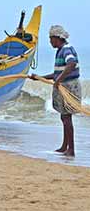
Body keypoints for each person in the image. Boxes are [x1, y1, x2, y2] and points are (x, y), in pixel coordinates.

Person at [30, 25, 81, 157]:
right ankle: (65, 146)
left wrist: (58, 80)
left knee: (66, 117)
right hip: (63, 85)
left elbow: (71, 64)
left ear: (57, 38)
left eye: (51, 39)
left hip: (69, 86)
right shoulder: (59, 51)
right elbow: (57, 73)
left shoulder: (66, 49)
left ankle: (71, 149)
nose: (50, 42)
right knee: (64, 117)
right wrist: (39, 78)